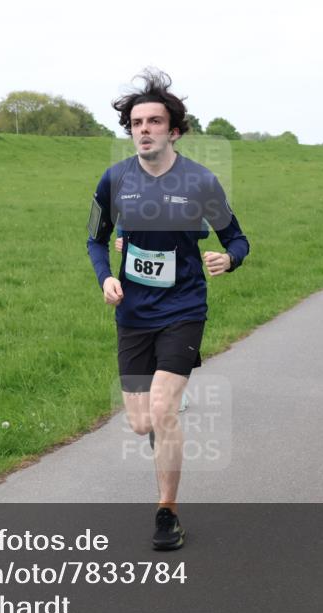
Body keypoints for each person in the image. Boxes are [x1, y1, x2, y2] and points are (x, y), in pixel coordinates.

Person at [86, 69, 250, 550]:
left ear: (173, 130)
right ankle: (164, 426)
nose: (144, 129)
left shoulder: (200, 181)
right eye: (137, 123)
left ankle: (167, 511)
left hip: (183, 308)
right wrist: (107, 276)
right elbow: (95, 239)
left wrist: (230, 258)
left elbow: (236, 238)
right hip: (133, 313)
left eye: (154, 121)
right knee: (142, 422)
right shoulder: (115, 180)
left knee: (162, 409)